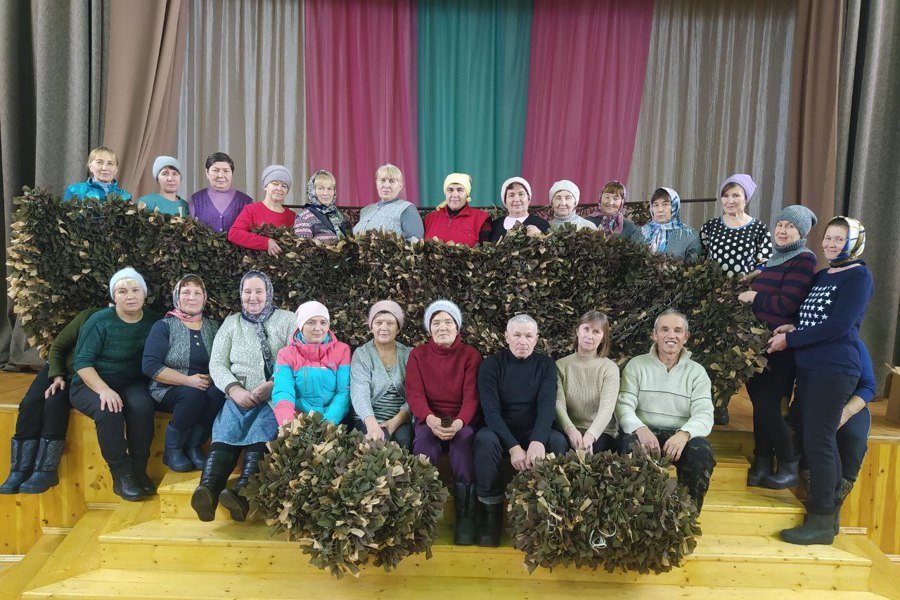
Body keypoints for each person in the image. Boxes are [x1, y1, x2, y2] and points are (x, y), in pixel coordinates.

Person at [768, 217, 873, 545]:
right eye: (828, 238)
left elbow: (837, 326)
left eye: (839, 239)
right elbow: (810, 316)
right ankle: (824, 521)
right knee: (814, 438)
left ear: (854, 242)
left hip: (835, 368)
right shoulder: (823, 275)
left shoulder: (859, 276)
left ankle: (822, 521)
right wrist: (792, 328)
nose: (830, 244)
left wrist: (791, 341)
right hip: (811, 369)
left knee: (820, 441)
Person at [191, 271, 294, 522]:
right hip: (238, 394)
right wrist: (234, 389)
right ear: (241, 294)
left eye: (258, 291)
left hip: (274, 395)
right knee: (226, 431)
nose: (253, 297)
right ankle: (207, 491)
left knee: (264, 431)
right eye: (247, 292)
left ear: (269, 292)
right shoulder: (232, 323)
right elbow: (217, 363)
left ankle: (241, 494)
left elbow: (298, 359)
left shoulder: (288, 321)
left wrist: (273, 385)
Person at [737, 205, 817, 489]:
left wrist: (754, 297)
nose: (782, 231)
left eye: (790, 227)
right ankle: (761, 461)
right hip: (758, 344)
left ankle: (788, 461)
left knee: (768, 406)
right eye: (780, 224)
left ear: (802, 232)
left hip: (779, 346)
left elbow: (787, 305)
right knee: (761, 405)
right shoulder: (774, 259)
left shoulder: (803, 260)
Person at [474, 314, 567, 546]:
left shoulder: (546, 365)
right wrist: (514, 447)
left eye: (528, 336)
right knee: (483, 439)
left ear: (536, 339)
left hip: (534, 429)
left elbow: (547, 407)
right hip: (500, 432)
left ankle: (548, 514)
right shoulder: (491, 365)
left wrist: (537, 440)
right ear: (507, 337)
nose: (522, 341)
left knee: (557, 441)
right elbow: (491, 413)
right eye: (517, 335)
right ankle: (490, 516)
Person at [68, 268, 159, 501]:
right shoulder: (100, 321)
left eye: (135, 290)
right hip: (91, 383)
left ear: (144, 293)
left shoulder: (153, 321)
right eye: (122, 291)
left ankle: (139, 469)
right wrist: (104, 390)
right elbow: (82, 362)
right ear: (113, 296)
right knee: (109, 410)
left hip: (131, 382)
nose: (130, 295)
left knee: (142, 407)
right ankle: (122, 476)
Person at [615, 309, 716, 511]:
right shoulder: (637, 366)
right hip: (644, 431)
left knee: (701, 454)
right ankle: (635, 515)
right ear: (655, 335)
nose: (671, 335)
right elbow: (623, 405)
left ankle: (686, 515)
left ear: (686, 337)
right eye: (665, 329)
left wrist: (684, 434)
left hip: (679, 435)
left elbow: (704, 413)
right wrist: (639, 428)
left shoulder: (697, 373)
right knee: (628, 446)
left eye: (678, 330)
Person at [0, 307, 101, 494]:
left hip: (80, 376)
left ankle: (46, 469)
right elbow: (58, 346)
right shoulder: (89, 315)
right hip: (57, 368)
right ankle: (19, 468)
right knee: (31, 403)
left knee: (55, 404)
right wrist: (57, 376)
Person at [406, 300, 483, 545]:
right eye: (436, 322)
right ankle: (422, 515)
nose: (442, 327)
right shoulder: (417, 355)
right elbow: (415, 394)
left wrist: (459, 423)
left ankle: (466, 517)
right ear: (429, 329)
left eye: (448, 322)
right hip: (429, 417)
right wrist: (430, 419)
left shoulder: (471, 355)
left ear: (457, 327)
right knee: (424, 447)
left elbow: (472, 396)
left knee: (463, 448)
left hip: (462, 419)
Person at [142, 275, 225, 473]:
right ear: (177, 297)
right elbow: (150, 365)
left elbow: (223, 360)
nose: (192, 297)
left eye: (198, 293)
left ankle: (194, 446)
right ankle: (172, 450)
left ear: (204, 298)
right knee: (191, 395)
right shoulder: (164, 326)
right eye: (186, 292)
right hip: (168, 387)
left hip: (205, 385)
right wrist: (188, 381)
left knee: (218, 394)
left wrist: (213, 378)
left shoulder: (214, 327)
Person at [271, 301, 352, 426]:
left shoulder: (342, 350)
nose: (318, 328)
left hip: (334, 421)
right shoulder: (286, 355)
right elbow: (283, 392)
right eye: (311, 322)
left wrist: (328, 422)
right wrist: (290, 425)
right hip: (299, 419)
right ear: (301, 325)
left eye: (323, 322)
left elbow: (344, 391)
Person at [349, 301, 413, 449]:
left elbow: (416, 393)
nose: (383, 327)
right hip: (368, 418)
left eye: (390, 323)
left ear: (398, 329)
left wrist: (397, 420)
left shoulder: (409, 354)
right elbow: (359, 393)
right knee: (378, 447)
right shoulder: (362, 354)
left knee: (404, 443)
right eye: (378, 322)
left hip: (401, 416)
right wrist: (372, 425)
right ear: (372, 327)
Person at [555, 311, 620, 454]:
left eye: (596, 332)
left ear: (603, 338)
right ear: (578, 331)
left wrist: (591, 435)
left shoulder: (609, 368)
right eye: (586, 329)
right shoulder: (560, 366)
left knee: (593, 454)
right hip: (568, 430)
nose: (589, 336)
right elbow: (558, 404)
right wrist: (571, 430)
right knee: (556, 445)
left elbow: (606, 409)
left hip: (600, 433)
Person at [700, 174, 772, 277]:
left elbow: (765, 261)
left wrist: (750, 278)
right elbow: (700, 260)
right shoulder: (710, 226)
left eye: (736, 195)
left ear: (746, 199)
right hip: (713, 291)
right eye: (725, 196)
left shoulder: (759, 228)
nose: (730, 201)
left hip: (746, 289)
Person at [228, 165, 297, 256]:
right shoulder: (251, 210)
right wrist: (266, 242)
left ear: (287, 191)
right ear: (265, 186)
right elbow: (234, 234)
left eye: (284, 186)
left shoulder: (292, 216)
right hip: (256, 267)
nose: (279, 189)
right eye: (275, 184)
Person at [352, 163, 424, 240]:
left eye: (391, 181)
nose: (386, 185)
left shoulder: (407, 209)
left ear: (400, 186)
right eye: (382, 180)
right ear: (377, 184)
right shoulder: (366, 210)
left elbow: (416, 240)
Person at [188, 152, 253, 233]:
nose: (220, 175)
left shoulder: (246, 201)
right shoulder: (196, 200)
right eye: (215, 170)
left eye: (226, 171)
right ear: (207, 172)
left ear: (232, 173)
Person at [633, 187, 701, 262]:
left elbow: (693, 269)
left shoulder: (690, 235)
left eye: (665, 204)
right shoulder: (641, 233)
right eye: (656, 205)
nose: (660, 210)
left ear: (675, 206)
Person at [423, 173, 491, 246]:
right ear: (445, 193)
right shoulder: (430, 219)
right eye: (450, 190)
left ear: (467, 194)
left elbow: (486, 253)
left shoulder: (481, 219)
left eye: (460, 190)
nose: (455, 195)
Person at [292, 170, 352, 243]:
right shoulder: (303, 218)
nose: (325, 193)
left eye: (329, 189)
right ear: (312, 191)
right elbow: (303, 250)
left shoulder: (341, 216)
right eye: (321, 188)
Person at [486, 177, 550, 242]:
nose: (516, 199)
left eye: (521, 194)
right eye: (511, 195)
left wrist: (540, 236)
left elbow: (550, 250)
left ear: (528, 199)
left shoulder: (542, 224)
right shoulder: (494, 226)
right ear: (505, 202)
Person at [63, 146, 132, 202]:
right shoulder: (74, 190)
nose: (104, 168)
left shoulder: (125, 196)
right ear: (90, 167)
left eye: (110, 163)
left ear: (116, 170)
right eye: (99, 162)